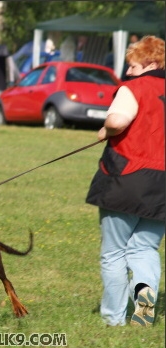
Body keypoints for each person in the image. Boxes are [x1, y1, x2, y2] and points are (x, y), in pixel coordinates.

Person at [86, 35, 165, 327]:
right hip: (163, 188)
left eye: (133, 65)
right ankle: (143, 316)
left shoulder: (134, 88)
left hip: (128, 179)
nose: (128, 71)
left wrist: (106, 130)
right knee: (144, 249)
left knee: (114, 252)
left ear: (152, 64)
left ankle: (113, 319)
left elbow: (118, 121)